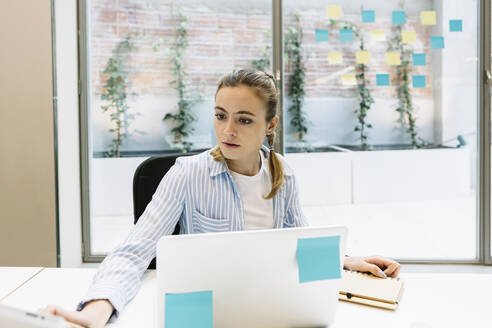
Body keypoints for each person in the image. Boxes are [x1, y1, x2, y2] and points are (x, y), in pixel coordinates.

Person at [41, 69, 401, 328]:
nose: (228, 130)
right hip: (199, 308)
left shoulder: (284, 174)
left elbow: (299, 246)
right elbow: (134, 252)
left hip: (264, 304)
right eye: (220, 116)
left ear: (270, 125)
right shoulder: (187, 174)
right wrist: (97, 309)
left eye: (244, 120)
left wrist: (347, 260)